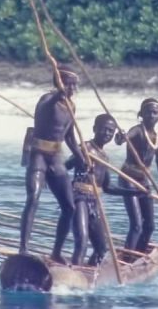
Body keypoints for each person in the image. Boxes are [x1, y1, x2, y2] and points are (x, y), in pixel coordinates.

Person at [19, 63, 83, 264]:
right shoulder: (46, 100)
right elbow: (46, 107)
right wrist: (58, 94)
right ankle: (23, 248)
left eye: (74, 85)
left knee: (70, 207)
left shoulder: (71, 107)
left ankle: (56, 251)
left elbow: (70, 138)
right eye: (68, 84)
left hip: (56, 157)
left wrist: (82, 157)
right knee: (34, 198)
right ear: (59, 82)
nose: (71, 89)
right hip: (38, 155)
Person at [65, 114, 142, 266]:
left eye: (111, 131)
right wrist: (80, 162)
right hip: (79, 198)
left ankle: (90, 275)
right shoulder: (84, 149)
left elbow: (107, 188)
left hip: (94, 202)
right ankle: (74, 274)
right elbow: (64, 167)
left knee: (101, 249)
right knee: (82, 240)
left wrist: (136, 192)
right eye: (104, 129)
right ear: (95, 129)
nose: (107, 134)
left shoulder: (104, 157)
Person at [116, 98, 158, 253]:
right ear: (141, 114)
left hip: (144, 181)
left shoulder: (157, 136)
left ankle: (138, 253)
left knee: (150, 226)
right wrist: (121, 136)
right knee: (137, 224)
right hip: (128, 179)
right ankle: (126, 259)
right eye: (148, 112)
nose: (151, 115)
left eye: (155, 112)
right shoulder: (137, 130)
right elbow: (121, 140)